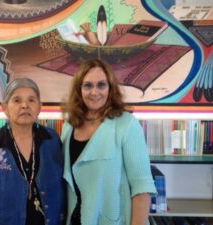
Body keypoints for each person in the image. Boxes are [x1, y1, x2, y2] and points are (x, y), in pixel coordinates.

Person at [61, 59, 156, 225]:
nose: (94, 92)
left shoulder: (126, 124)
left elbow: (142, 189)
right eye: (88, 85)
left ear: (110, 88)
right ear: (79, 90)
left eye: (101, 85)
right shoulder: (69, 126)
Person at [0, 78, 65, 225]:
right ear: (5, 107)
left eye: (31, 100)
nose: (25, 105)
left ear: (39, 106)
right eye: (17, 100)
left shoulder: (52, 141)